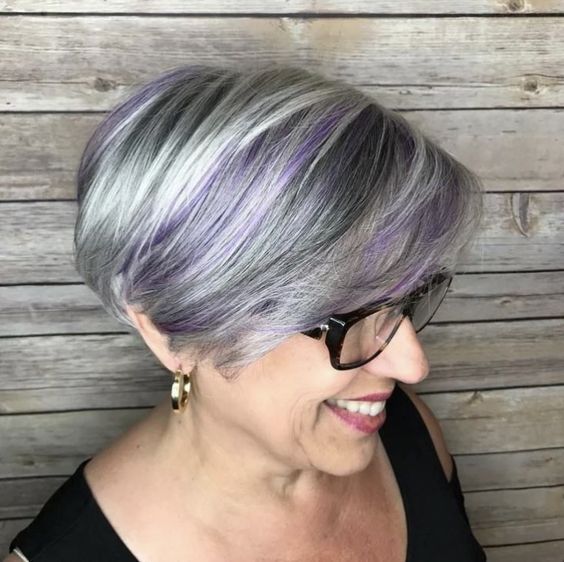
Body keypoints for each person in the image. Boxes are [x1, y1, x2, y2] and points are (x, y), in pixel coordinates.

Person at [6, 63, 487, 561]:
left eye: (408, 297)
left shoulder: (408, 431)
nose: (413, 365)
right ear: (169, 335)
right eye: (346, 316)